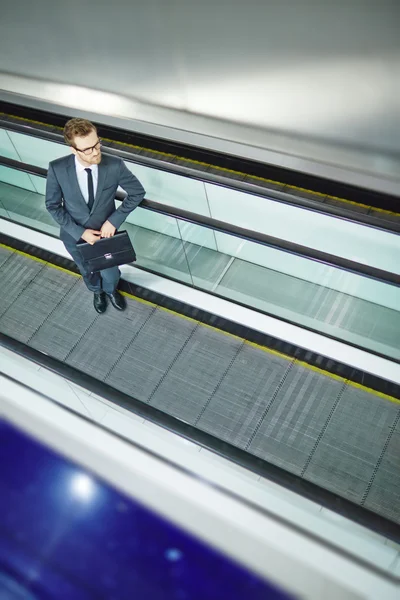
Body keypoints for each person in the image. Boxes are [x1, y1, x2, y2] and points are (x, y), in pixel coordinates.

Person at [45, 118, 145, 314]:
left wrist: (113, 221)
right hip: (74, 237)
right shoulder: (57, 168)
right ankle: (96, 291)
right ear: (74, 150)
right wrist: (81, 232)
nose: (96, 151)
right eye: (88, 149)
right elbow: (53, 205)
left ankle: (110, 290)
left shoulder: (114, 165)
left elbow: (137, 192)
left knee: (111, 272)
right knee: (86, 270)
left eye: (97, 143)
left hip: (105, 237)